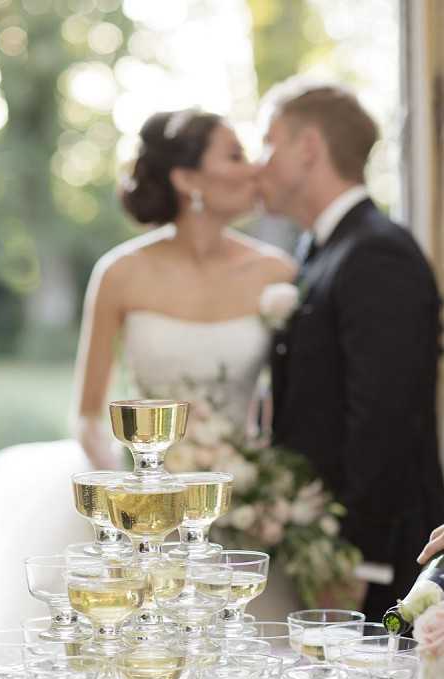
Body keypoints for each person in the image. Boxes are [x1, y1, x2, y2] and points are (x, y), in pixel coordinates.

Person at [257, 79, 444, 620]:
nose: (260, 163)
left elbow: (382, 422)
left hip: (383, 558)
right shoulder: (318, 250)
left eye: (270, 141)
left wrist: (354, 562)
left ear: (309, 148)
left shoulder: (378, 253)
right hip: (324, 548)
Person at [73, 109, 296, 468]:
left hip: (246, 496)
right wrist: (136, 502)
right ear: (188, 180)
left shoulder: (278, 273)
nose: (254, 168)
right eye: (235, 156)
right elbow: (88, 420)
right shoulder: (118, 274)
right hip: (146, 500)